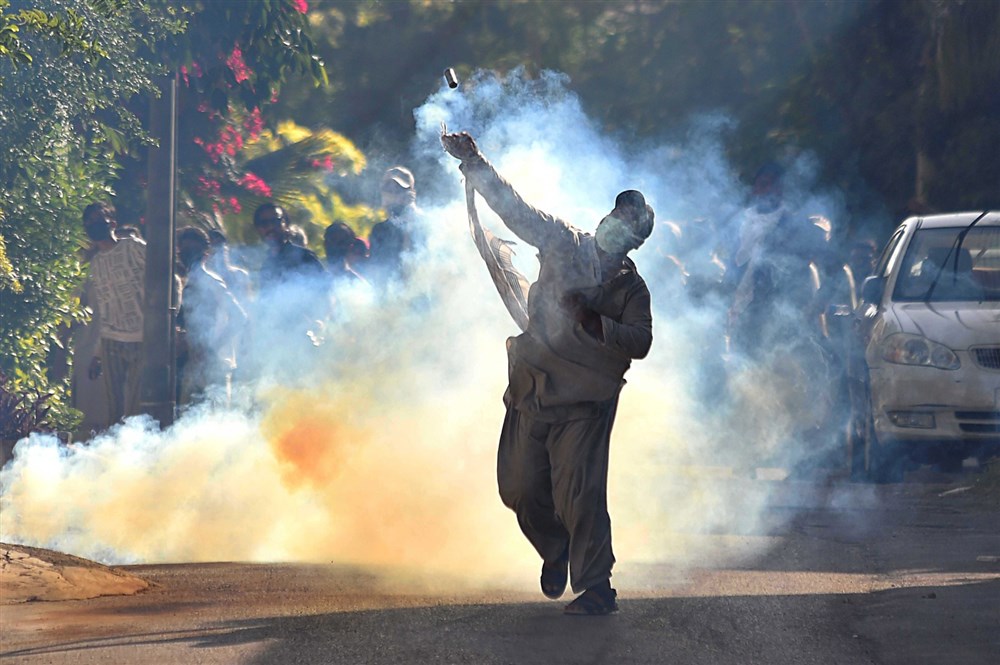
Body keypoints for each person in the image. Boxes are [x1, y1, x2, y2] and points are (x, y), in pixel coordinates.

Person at [442, 130, 654, 616]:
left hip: (584, 402)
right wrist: (475, 162)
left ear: (636, 244)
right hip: (534, 385)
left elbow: (639, 342)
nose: (617, 228)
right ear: (604, 218)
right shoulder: (564, 242)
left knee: (580, 494)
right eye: (615, 217)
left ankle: (598, 588)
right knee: (517, 488)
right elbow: (516, 210)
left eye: (629, 228)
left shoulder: (632, 291)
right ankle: (555, 549)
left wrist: (594, 321)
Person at [80, 202, 146, 425]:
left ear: (112, 223)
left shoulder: (133, 248)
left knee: (137, 406)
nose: (93, 225)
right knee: (113, 407)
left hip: (141, 337)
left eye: (98, 219)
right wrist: (98, 353)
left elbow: (166, 277)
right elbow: (106, 309)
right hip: (111, 341)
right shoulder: (96, 263)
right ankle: (114, 452)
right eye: (88, 222)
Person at [175, 227, 247, 406]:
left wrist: (212, 348)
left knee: (216, 422)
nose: (187, 255)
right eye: (184, 250)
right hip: (194, 365)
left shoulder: (211, 282)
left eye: (193, 250)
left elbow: (239, 317)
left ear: (205, 254)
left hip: (215, 365)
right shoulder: (189, 281)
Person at [366, 165, 426, 285]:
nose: (392, 195)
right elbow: (375, 272)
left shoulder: (424, 224)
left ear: (411, 193)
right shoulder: (379, 230)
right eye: (388, 190)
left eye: (398, 190)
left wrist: (410, 220)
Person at [252, 203, 326, 283]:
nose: (271, 227)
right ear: (258, 229)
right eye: (264, 223)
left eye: (275, 221)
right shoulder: (266, 266)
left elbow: (324, 289)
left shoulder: (305, 257)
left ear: (286, 225)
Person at [207, 229, 253, 307]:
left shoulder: (240, 275)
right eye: (214, 246)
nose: (219, 249)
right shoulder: (207, 279)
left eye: (221, 244)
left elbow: (247, 303)